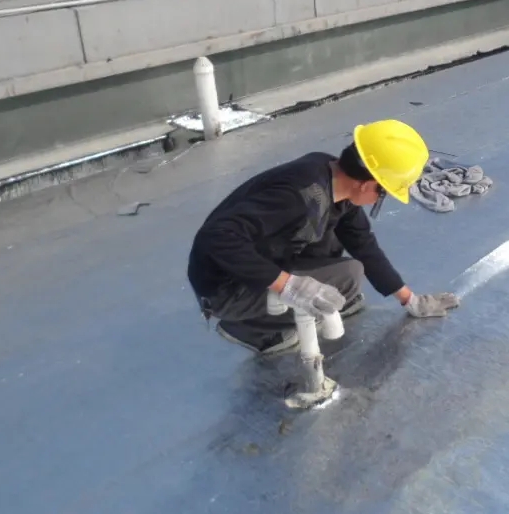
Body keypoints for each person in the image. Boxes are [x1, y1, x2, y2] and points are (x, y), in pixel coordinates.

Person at [187, 118, 460, 357]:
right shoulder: (299, 198)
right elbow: (217, 237)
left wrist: (409, 299)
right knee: (349, 275)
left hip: (262, 255)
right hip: (225, 288)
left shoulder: (330, 174)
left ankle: (278, 301)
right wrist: (289, 285)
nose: (380, 198)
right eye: (383, 192)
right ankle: (253, 329)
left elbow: (362, 242)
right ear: (367, 184)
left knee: (334, 241)